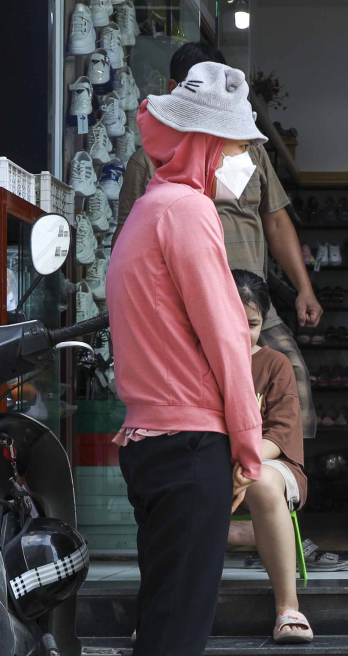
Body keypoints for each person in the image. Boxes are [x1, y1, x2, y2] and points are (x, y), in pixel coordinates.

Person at [103, 62, 272, 656]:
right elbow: (228, 341)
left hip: (150, 438)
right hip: (190, 438)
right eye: (236, 143)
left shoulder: (147, 210)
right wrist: (247, 442)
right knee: (176, 625)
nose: (243, 158)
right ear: (208, 144)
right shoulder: (190, 213)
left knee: (167, 617)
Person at [121, 42, 323, 439]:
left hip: (254, 301)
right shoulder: (150, 161)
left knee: (293, 396)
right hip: (189, 312)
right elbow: (128, 249)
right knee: (212, 412)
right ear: (176, 87)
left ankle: (281, 482)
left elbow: (277, 221)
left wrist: (304, 288)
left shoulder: (249, 152)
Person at [229, 269, 348, 646]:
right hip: (217, 464)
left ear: (263, 322)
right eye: (231, 320)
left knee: (262, 481)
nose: (241, 331)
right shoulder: (197, 361)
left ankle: (288, 607)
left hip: (271, 465)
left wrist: (243, 466)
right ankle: (164, 611)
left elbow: (279, 434)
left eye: (251, 323)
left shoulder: (275, 363)